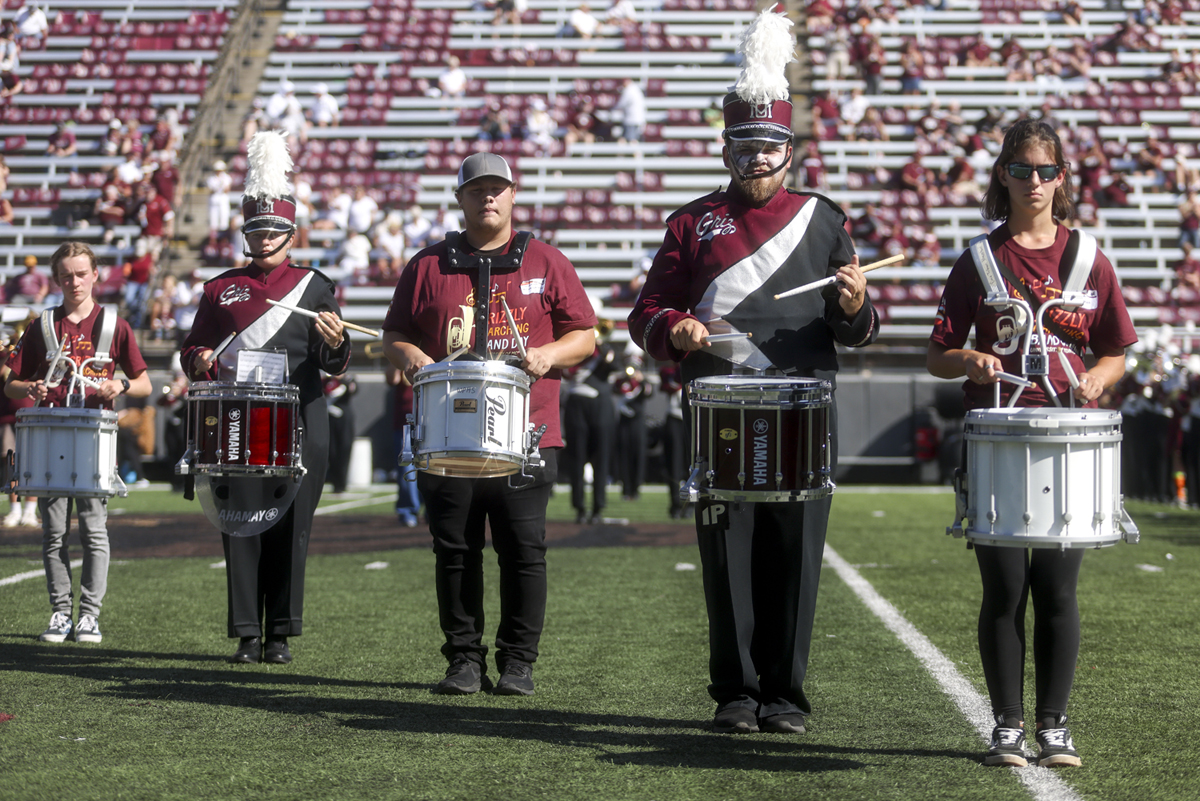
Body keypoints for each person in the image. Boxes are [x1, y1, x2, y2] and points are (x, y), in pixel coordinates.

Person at [628, 8, 878, 736]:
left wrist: (857, 304)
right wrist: (673, 327)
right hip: (720, 410)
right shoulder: (689, 223)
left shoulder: (824, 220)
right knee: (728, 552)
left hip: (801, 411)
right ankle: (735, 691)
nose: (758, 159)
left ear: (789, 148)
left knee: (794, 552)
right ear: (726, 148)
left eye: (769, 146)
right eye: (745, 146)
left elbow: (858, 328)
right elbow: (648, 310)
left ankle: (786, 695)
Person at [926, 118, 1138, 768]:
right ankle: (1007, 727)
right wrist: (969, 359)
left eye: (1046, 171)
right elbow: (937, 355)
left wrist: (1097, 379)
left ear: (1062, 177)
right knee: (1005, 587)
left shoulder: (1089, 257)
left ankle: (1055, 726)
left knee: (1058, 589)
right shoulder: (980, 259)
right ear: (1003, 176)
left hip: (1068, 438)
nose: (1035, 183)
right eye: (1022, 170)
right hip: (997, 436)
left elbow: (1116, 351)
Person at [382, 152, 597, 696]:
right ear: (460, 198)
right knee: (454, 549)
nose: (488, 198)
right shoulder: (427, 265)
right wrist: (410, 357)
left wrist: (548, 354)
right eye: (477, 189)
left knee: (524, 550)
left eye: (497, 188)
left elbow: (586, 335)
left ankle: (519, 662)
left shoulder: (546, 260)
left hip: (528, 434)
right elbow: (395, 334)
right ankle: (463, 660)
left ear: (513, 194)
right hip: (447, 435)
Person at [180, 131, 351, 665]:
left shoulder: (314, 284)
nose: (264, 238)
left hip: (300, 414)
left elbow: (334, 362)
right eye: (255, 229)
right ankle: (246, 633)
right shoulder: (220, 287)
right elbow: (192, 349)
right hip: (234, 415)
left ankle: (280, 632)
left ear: (291, 233)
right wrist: (201, 360)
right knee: (239, 524)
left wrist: (335, 342)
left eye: (274, 229)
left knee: (292, 524)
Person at [4, 241, 153, 644]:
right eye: (67, 275)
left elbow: (144, 381)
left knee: (93, 529)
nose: (75, 282)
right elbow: (11, 381)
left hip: (94, 434)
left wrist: (118, 383)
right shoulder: (43, 324)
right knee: (53, 531)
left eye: (81, 273)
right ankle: (59, 612)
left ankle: (89, 615)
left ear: (95, 275)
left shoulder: (113, 324)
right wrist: (30, 386)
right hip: (51, 431)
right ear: (57, 279)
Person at [563, 325, 617, 523]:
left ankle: (597, 509)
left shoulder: (604, 351)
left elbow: (613, 366)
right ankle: (579, 508)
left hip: (600, 405)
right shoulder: (574, 350)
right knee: (576, 458)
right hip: (576, 404)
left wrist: (600, 342)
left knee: (601, 457)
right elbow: (566, 370)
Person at [206, 160, 233, 248]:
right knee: (213, 223)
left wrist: (219, 188)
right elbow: (211, 190)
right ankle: (212, 243)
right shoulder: (211, 179)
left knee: (223, 222)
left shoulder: (227, 178)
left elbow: (226, 189)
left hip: (223, 201)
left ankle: (224, 241)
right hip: (214, 202)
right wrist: (219, 187)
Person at [612, 78, 646, 144]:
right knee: (627, 139)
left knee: (631, 140)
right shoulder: (635, 89)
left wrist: (613, 109)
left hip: (631, 120)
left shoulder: (629, 90)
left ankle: (636, 154)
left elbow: (622, 103)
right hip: (635, 119)